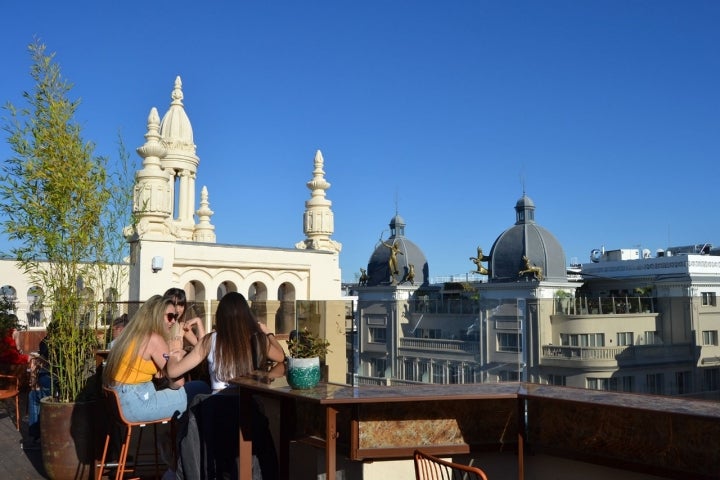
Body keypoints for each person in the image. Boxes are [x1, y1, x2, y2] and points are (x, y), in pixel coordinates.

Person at [166, 292, 285, 480]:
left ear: (220, 315)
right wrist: (268, 333)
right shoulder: (256, 339)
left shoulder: (209, 340)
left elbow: (173, 372)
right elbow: (281, 358)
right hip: (245, 410)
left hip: (215, 413)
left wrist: (174, 351)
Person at [102, 295, 210, 423]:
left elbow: (157, 374)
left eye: (175, 317)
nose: (174, 321)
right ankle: (191, 440)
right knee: (200, 388)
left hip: (119, 402)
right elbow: (177, 383)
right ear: (156, 316)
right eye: (170, 316)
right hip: (137, 403)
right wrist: (176, 354)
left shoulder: (131, 335)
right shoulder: (154, 339)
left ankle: (177, 437)